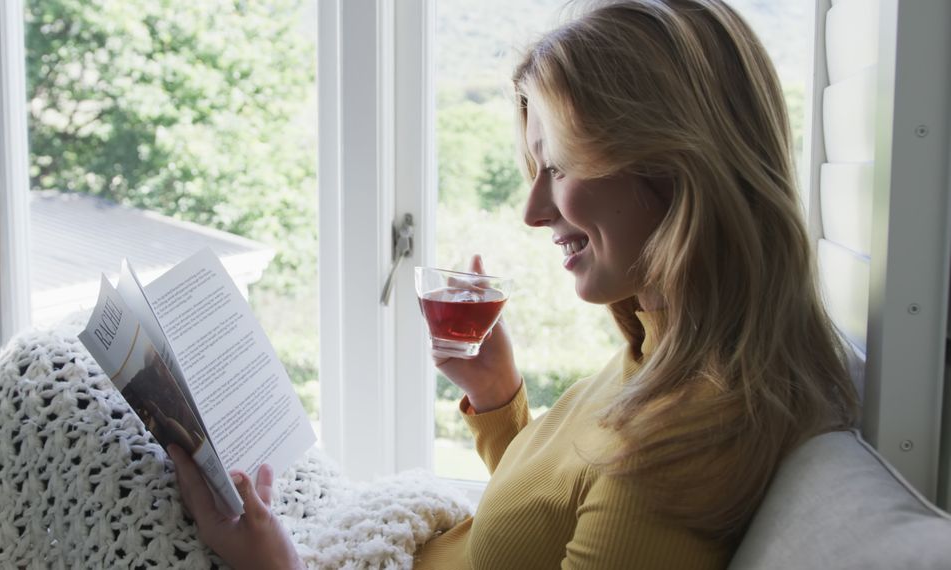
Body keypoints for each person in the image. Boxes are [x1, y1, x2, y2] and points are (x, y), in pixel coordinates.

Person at [169, 0, 860, 568]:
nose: (533, 212)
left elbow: (609, 492)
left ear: (675, 167)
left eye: (556, 168)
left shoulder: (680, 445)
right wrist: (498, 402)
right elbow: (546, 521)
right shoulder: (660, 351)